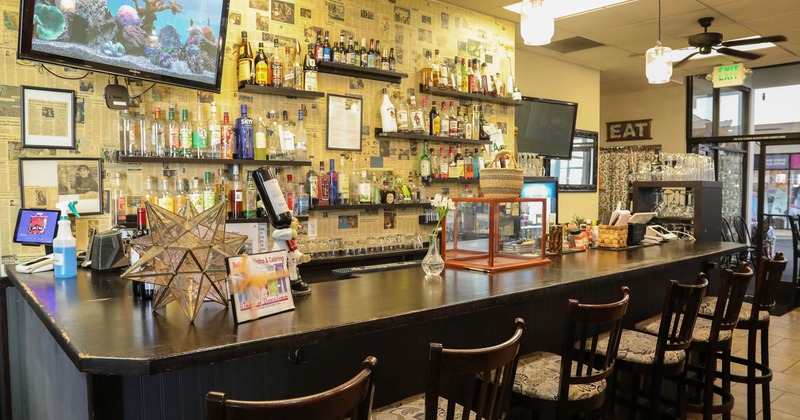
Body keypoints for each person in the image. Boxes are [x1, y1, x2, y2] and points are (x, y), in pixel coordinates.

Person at [271, 217, 311, 296]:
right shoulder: (279, 233)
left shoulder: (291, 241)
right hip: (280, 261)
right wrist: (291, 232)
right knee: (281, 278)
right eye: (293, 221)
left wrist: (301, 257)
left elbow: (294, 252)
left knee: (293, 273)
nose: (296, 224)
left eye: (296, 222)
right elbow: (275, 234)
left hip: (291, 262)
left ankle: (295, 284)